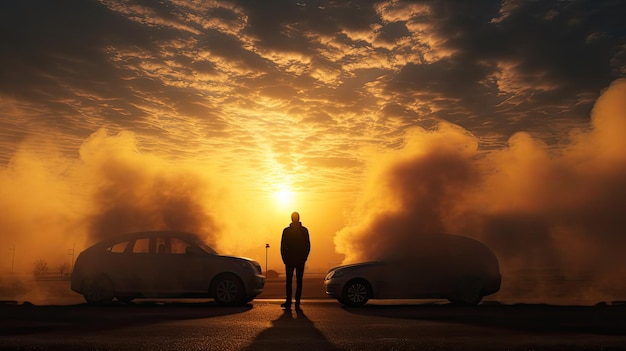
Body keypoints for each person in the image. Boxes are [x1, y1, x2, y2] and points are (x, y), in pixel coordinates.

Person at [280, 211, 310, 311]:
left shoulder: (303, 230)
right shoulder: (287, 231)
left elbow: (307, 245)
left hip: (298, 259)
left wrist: (304, 257)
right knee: (291, 281)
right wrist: (285, 258)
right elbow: (283, 246)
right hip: (291, 260)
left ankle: (295, 301)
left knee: (296, 281)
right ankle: (292, 301)